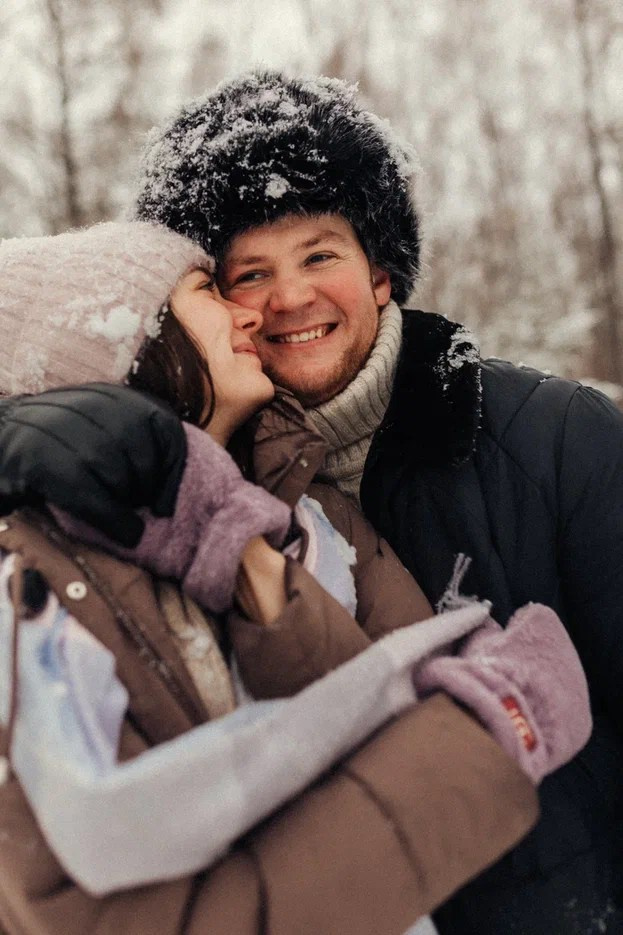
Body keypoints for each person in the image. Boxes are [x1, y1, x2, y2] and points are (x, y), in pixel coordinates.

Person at [84, 69, 623, 932]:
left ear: (379, 272)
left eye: (319, 255)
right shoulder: (202, 490)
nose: (290, 297)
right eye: (250, 271)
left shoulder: (558, 438)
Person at [0, 219, 556, 935]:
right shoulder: (33, 579)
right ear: (120, 340)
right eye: (209, 292)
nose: (251, 314)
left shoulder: (310, 511)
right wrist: (491, 732)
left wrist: (246, 553)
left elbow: (389, 714)